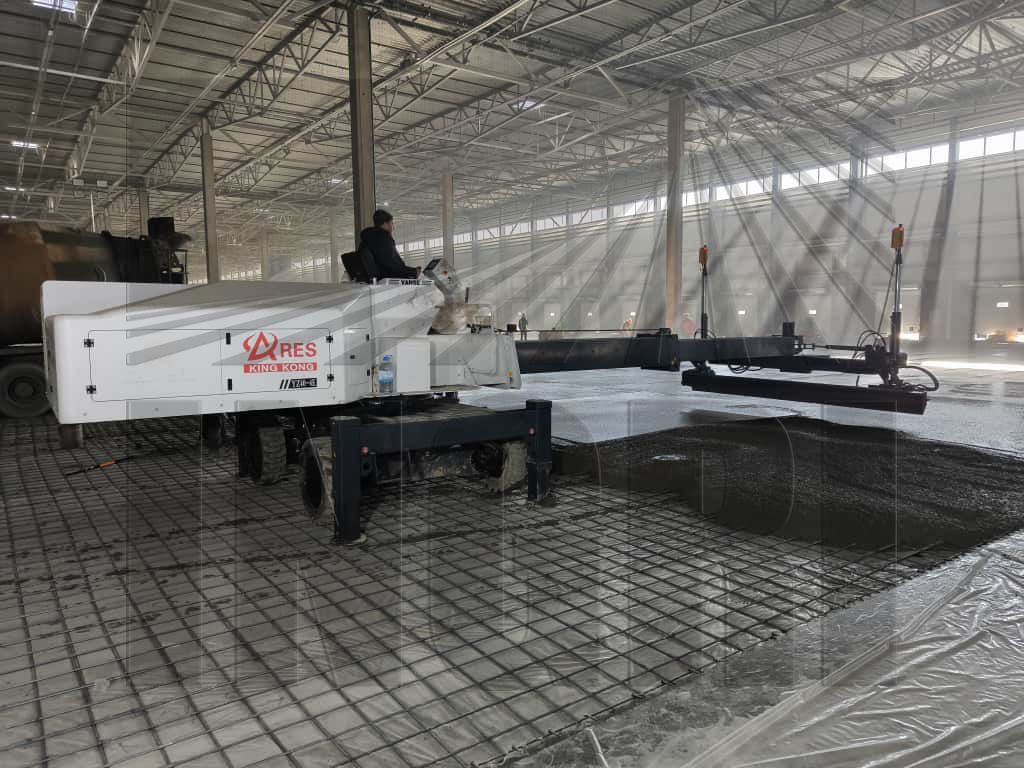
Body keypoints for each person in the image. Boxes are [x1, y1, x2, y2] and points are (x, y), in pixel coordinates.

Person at [359, 209, 419, 280]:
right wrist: (413, 272)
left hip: (377, 279)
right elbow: (392, 265)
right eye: (391, 223)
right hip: (388, 280)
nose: (393, 227)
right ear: (385, 224)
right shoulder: (384, 238)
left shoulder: (366, 240)